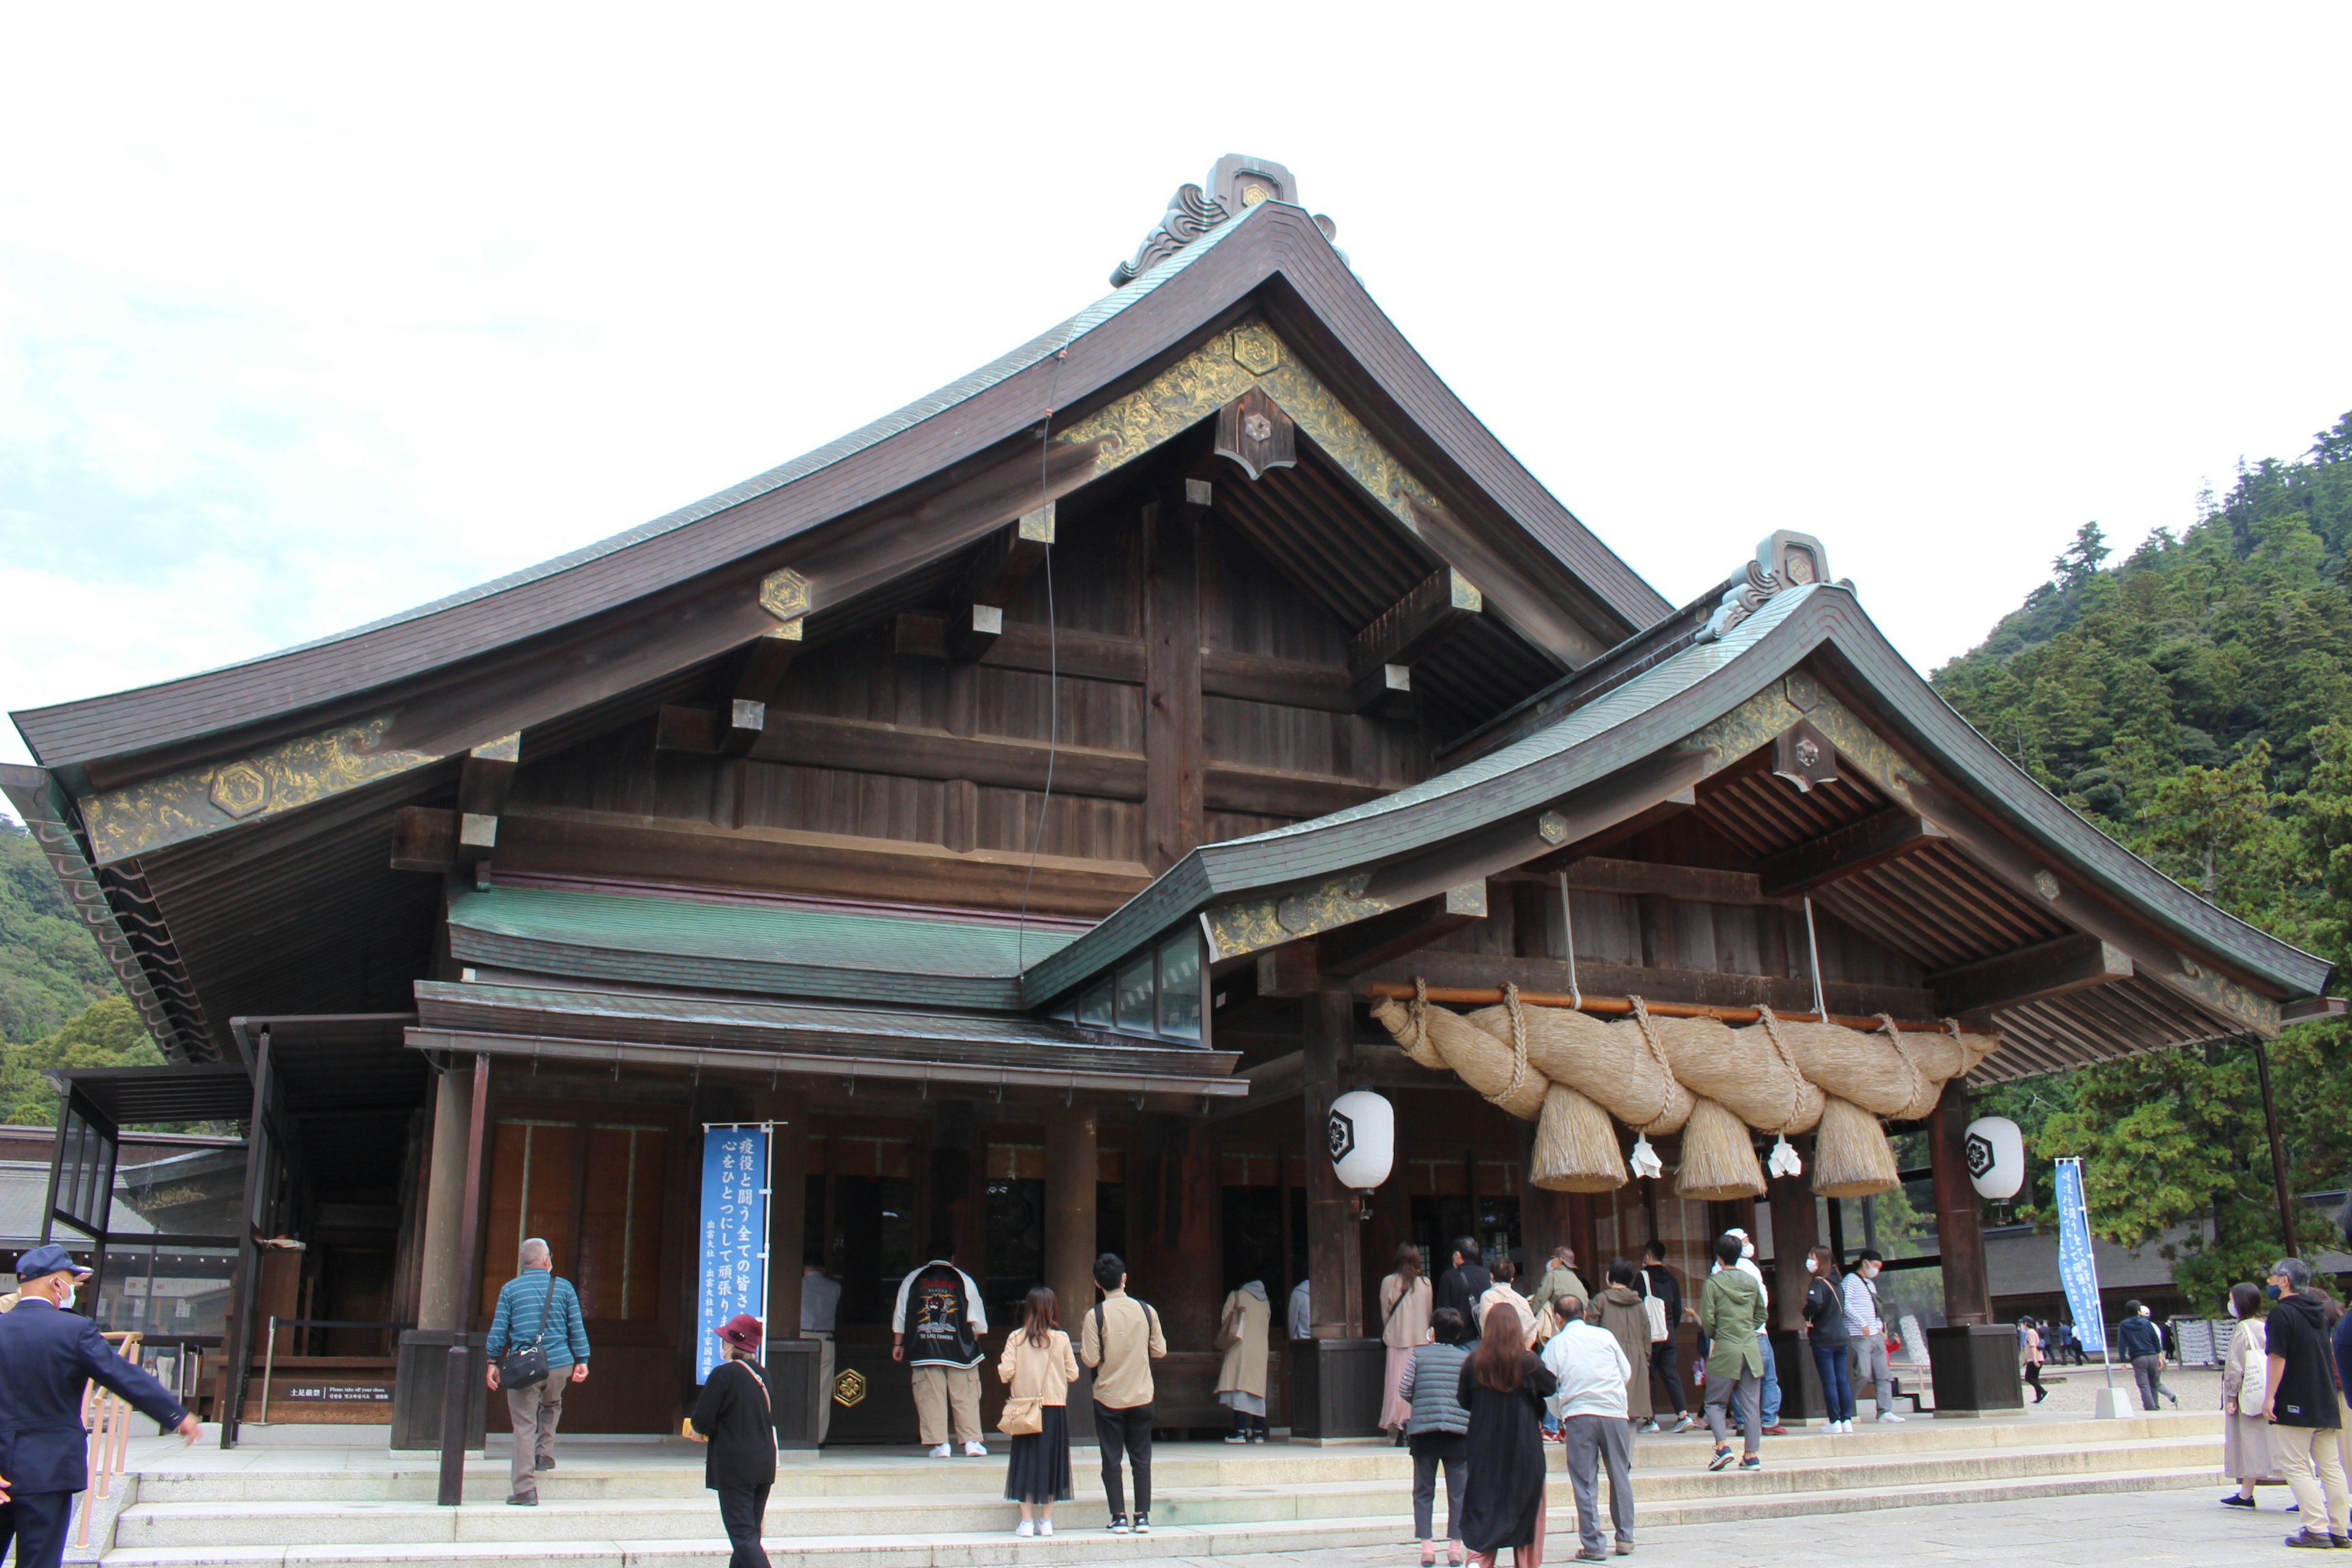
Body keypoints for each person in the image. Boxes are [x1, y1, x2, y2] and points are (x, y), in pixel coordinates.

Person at [0, 1244, 199, 1568]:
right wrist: (177, 1415)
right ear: (55, 1285)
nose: (74, 1291)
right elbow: (123, 1376)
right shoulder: (73, 1330)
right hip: (49, 1469)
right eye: (73, 1283)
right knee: (39, 1561)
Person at [483, 1237, 592, 1505]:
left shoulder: (510, 1290)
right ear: (546, 1260)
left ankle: (525, 1490)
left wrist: (492, 1362)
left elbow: (499, 1330)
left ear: (523, 1262)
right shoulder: (564, 1288)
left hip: (524, 1366)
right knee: (552, 1403)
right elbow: (575, 1326)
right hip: (559, 1364)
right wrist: (582, 1360)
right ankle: (544, 1453)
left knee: (523, 1425)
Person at [1456, 1300, 1557, 1568]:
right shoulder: (1528, 1362)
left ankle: (1478, 1562)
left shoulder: (1473, 1363)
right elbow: (1551, 1386)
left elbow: (1464, 1401)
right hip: (1524, 1449)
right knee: (1528, 1513)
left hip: (1485, 1448)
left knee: (1485, 1509)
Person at [2263, 1257, 2349, 1548]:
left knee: (2296, 1465)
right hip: (2325, 1399)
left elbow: (2277, 1357)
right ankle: (2340, 1528)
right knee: (2331, 1466)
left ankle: (2316, 1528)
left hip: (2295, 1400)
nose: (2270, 1282)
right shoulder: (2319, 1312)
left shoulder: (2282, 1314)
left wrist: (2270, 1396)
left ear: (2285, 1281)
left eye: (2273, 1277)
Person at [1543, 1295, 1635, 1562]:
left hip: (1579, 1414)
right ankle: (1625, 1536)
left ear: (1558, 1319)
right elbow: (1625, 1371)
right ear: (1583, 1314)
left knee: (1584, 1480)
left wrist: (1562, 1412)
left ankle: (1593, 1543)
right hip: (1614, 1413)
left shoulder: (1555, 1345)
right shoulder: (1605, 1336)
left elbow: (1549, 1387)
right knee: (1619, 1473)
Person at [1080, 1252, 1166, 1535]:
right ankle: (1142, 1516)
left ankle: (1118, 1517)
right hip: (1142, 1394)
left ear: (1097, 1283)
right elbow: (1160, 1351)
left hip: (1109, 1397)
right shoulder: (1146, 1310)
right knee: (1142, 1458)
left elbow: (1091, 1360)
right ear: (1125, 1279)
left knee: (1112, 1458)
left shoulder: (1096, 1316)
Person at [689, 1313, 775, 1568]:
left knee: (743, 1537)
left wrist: (698, 1430)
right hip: (764, 1462)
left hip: (736, 1465)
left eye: (724, 1340)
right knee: (750, 1535)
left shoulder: (723, 1375)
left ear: (730, 1344)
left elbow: (702, 1421)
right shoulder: (763, 1375)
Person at [892, 1244, 990, 1458]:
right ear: (952, 1258)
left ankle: (940, 1444)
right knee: (966, 1394)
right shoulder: (963, 1279)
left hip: (925, 1348)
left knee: (930, 1396)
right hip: (960, 1351)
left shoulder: (913, 1279)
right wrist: (969, 1340)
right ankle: (971, 1441)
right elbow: (978, 1319)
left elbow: (901, 1314)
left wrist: (898, 1344)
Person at [997, 1284, 1080, 1538]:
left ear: (1028, 1308)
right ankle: (1046, 1521)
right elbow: (1073, 1374)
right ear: (1052, 1308)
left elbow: (1005, 1373)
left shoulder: (1016, 1338)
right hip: (1054, 1408)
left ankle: (1026, 1522)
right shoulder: (1062, 1339)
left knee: (1025, 1463)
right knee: (1052, 1463)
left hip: (1025, 1408)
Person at [1400, 1307, 1474, 1567]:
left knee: (1423, 1490)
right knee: (1459, 1492)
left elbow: (1404, 1388)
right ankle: (1455, 1547)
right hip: (1458, 1433)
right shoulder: (1465, 1358)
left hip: (1424, 1432)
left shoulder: (1418, 1355)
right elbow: (1470, 1395)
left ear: (1432, 1331)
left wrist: (1421, 1401)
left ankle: (1427, 1547)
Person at [1699, 1231, 1766, 1472]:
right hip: (1751, 1348)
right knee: (1751, 1406)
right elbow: (1762, 1315)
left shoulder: (1713, 1283)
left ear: (1718, 1256)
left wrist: (1719, 1334)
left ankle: (1723, 1447)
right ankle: (1751, 1455)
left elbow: (1708, 1321)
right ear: (1739, 1255)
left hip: (1725, 1348)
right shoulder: (1750, 1281)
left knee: (1715, 1403)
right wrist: (1746, 1329)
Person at [1713, 1228, 1782, 1436]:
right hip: (1756, 1334)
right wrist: (1756, 1323)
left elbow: (1712, 1311)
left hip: (1729, 1337)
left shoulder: (1716, 1273)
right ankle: (1769, 1421)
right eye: (1745, 1241)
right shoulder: (1750, 1269)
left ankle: (1743, 1422)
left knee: (1736, 1382)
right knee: (1767, 1378)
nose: (1748, 1244)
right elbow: (1762, 1300)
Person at [2219, 1280, 2274, 1509]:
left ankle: (2246, 1494)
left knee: (2250, 1443)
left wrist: (2231, 1397)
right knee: (2273, 1443)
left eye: (2232, 1299)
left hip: (2249, 1394)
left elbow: (2235, 1366)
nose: (2230, 1303)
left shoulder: (2244, 1329)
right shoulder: (2266, 1325)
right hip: (2268, 1389)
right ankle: (2245, 1493)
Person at [1587, 1259, 1653, 1430]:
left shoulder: (1601, 1300)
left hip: (1608, 1359)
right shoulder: (1638, 1304)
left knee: (1608, 1413)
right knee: (1631, 1413)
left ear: (1609, 1276)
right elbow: (1646, 1335)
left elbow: (1589, 1332)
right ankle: (1626, 1455)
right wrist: (1645, 1359)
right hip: (1636, 1360)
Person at [1840, 1248, 1903, 1423]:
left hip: (1875, 1335)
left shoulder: (1870, 1284)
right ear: (1865, 1263)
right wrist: (1862, 1323)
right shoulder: (1850, 1281)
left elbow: (1876, 1309)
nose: (1876, 1270)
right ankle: (1846, 1406)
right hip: (1858, 1335)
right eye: (1875, 1266)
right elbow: (1845, 1305)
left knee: (1883, 1374)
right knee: (1863, 1373)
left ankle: (1885, 1411)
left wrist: (1877, 1328)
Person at [1381, 1244, 1436, 1437]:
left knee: (1398, 1383)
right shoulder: (1426, 1284)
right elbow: (1429, 1314)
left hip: (1397, 1339)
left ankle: (1399, 1423)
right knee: (1418, 1384)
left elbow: (1385, 1315)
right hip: (1420, 1341)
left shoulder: (1389, 1282)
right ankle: (1416, 1419)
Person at [1639, 1240, 1694, 1433]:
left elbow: (1638, 1306)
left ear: (1647, 1256)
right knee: (1671, 1373)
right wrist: (1671, 1327)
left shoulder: (1643, 1277)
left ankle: (1650, 1420)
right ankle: (1683, 1415)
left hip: (1650, 1334)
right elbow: (1678, 1308)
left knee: (1649, 1375)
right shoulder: (1672, 1279)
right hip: (1669, 1332)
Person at [1799, 1245, 1855, 1432]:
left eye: (1813, 1258)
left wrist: (1807, 1314)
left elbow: (1815, 1303)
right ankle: (1846, 1419)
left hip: (1824, 1338)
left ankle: (1834, 1420)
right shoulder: (1838, 1283)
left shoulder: (1819, 1283)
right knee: (1842, 1380)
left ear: (1820, 1261)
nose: (1810, 1262)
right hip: (1841, 1337)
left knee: (1830, 1381)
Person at [1214, 1278, 1272, 1443]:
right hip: (1261, 1349)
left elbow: (1225, 1318)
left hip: (1240, 1345)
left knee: (1240, 1387)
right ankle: (1259, 1432)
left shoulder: (1237, 1296)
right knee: (1257, 1390)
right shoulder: (1266, 1303)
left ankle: (1240, 1431)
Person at [801, 1257, 841, 1445]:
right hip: (826, 1338)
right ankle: (818, 1438)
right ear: (823, 1269)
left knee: (799, 1386)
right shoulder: (834, 1287)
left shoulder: (798, 1284)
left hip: (801, 1337)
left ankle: (797, 1433)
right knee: (823, 1389)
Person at [2116, 1298, 2176, 1412]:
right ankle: (2156, 1406)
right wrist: (2159, 1356)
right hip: (2152, 1355)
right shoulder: (2147, 1323)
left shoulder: (2123, 1325)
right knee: (2154, 1383)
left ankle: (2150, 1407)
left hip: (2138, 1357)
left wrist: (2123, 1360)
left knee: (2144, 1385)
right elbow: (2155, 1340)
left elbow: (2122, 1343)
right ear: (2139, 1312)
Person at [1476, 1257, 1539, 1350]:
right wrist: (1525, 1349)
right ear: (1512, 1280)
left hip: (1494, 1351)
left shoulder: (1488, 1296)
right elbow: (1533, 1327)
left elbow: (1486, 1324)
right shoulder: (1522, 1300)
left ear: (1492, 1276)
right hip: (1518, 1352)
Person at [1436, 1237, 1493, 1329]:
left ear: (1458, 1255)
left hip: (1459, 1334)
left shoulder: (1449, 1277)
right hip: (1483, 1333)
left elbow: (1443, 1311)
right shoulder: (1487, 1274)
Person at [1527, 1246, 1588, 1321]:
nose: (1550, 1262)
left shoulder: (1552, 1276)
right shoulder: (1578, 1282)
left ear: (1560, 1260)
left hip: (1557, 1323)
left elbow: (1539, 1301)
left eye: (1552, 1259)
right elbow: (1585, 1303)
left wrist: (1530, 1313)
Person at [2018, 1316, 2048, 1405]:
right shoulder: (2033, 1332)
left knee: (2028, 1377)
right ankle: (2039, 1397)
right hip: (2037, 1358)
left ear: (2026, 1324)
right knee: (2035, 1378)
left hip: (2034, 1359)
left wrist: (2034, 1359)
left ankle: (2043, 1392)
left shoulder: (2030, 1333)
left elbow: (2033, 1346)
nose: (2022, 1325)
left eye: (2023, 1323)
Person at [1289, 1277, 1313, 1341]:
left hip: (1300, 1340)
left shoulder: (1297, 1294)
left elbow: (1292, 1321)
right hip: (1317, 1340)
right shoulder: (1322, 1293)